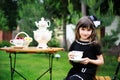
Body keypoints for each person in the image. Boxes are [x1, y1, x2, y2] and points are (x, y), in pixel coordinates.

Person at [65, 16, 104, 80]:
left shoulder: (94, 44)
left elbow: (101, 61)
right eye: (83, 29)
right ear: (78, 29)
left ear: (92, 31)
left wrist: (89, 60)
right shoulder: (75, 43)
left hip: (88, 73)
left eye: (88, 30)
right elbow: (71, 61)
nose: (85, 33)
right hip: (75, 71)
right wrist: (70, 56)